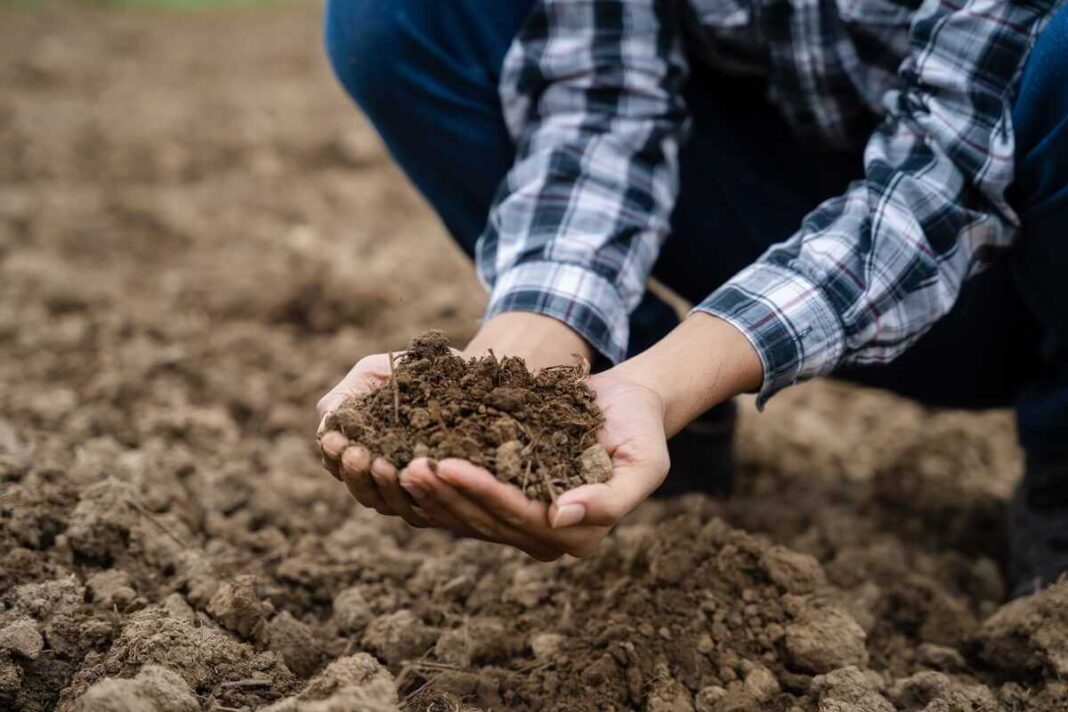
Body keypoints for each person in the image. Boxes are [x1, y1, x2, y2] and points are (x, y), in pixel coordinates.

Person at [317, 0, 1068, 597]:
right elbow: (604, 97)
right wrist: (530, 358)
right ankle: (639, 397)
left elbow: (941, 183)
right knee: (398, 17)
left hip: (1007, 273)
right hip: (790, 238)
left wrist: (666, 379)